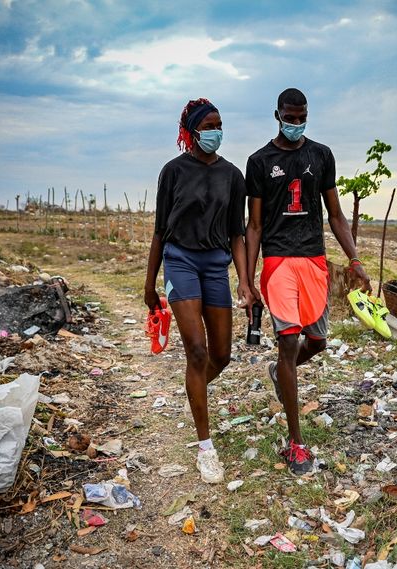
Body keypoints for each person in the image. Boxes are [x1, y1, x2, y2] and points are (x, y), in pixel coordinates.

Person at [245, 88, 371, 475]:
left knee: (317, 341)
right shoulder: (259, 162)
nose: (296, 124)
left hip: (314, 261)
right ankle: (296, 443)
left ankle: (279, 372)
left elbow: (336, 215)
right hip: (279, 262)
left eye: (302, 118)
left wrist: (354, 259)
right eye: (290, 118)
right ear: (277, 115)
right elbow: (255, 225)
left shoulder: (322, 155)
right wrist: (247, 280)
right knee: (288, 343)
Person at [144, 98, 252, 483]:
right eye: (209, 126)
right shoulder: (173, 172)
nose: (216, 132)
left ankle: (194, 390)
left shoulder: (232, 176)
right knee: (198, 350)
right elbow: (160, 231)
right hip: (180, 261)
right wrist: (149, 284)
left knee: (221, 355)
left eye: (220, 125)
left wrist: (245, 281)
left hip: (215, 266)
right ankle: (206, 450)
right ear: (191, 132)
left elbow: (237, 235)